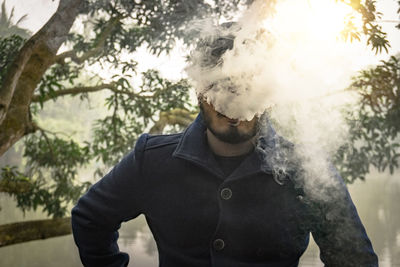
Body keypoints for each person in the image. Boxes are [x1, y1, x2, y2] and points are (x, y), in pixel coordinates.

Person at [71, 23, 378, 267]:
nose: (233, 102)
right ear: (200, 90)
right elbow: (90, 218)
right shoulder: (151, 160)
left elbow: (355, 260)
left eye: (247, 87)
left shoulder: (309, 171)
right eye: (220, 86)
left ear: (270, 93)